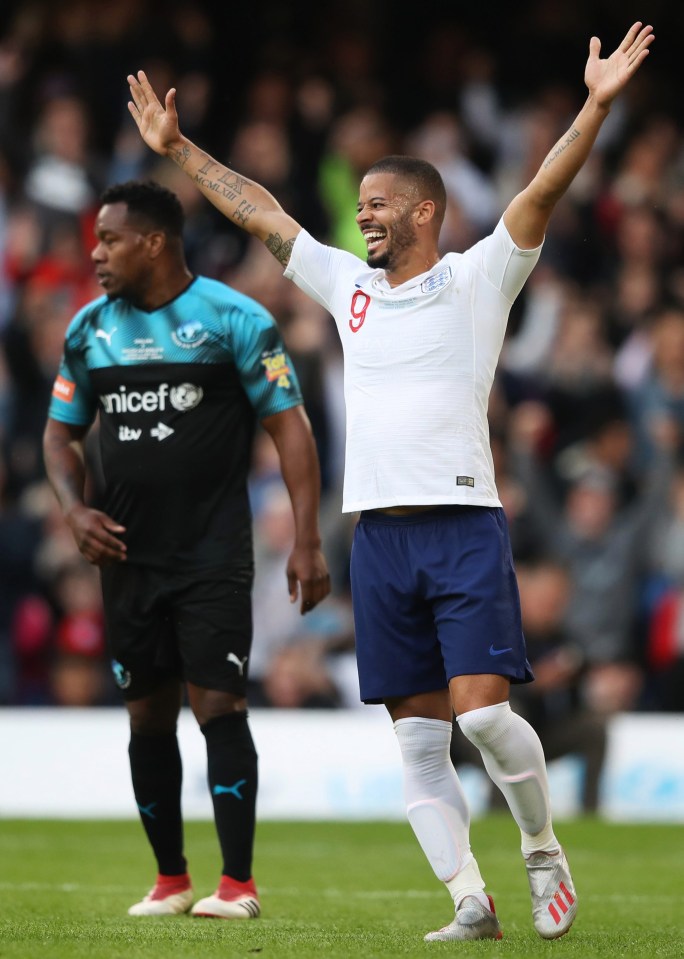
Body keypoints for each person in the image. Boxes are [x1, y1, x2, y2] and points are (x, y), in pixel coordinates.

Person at [125, 21, 654, 942]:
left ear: (422, 211)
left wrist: (597, 105)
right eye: (361, 203)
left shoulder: (481, 277)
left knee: (483, 719)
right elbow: (261, 211)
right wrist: (181, 153)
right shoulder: (349, 289)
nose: (361, 214)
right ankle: (470, 901)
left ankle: (540, 851)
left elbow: (545, 186)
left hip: (462, 525)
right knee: (417, 740)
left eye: (377, 203)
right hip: (381, 539)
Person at [42, 179, 331, 919]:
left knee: (219, 704)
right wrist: (74, 510)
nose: (96, 252)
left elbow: (290, 428)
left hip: (212, 552)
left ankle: (237, 883)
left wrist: (306, 538)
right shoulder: (88, 330)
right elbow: (59, 432)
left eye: (109, 239)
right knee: (145, 714)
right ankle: (170, 878)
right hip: (126, 559)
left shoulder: (234, 319)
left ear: (155, 242)